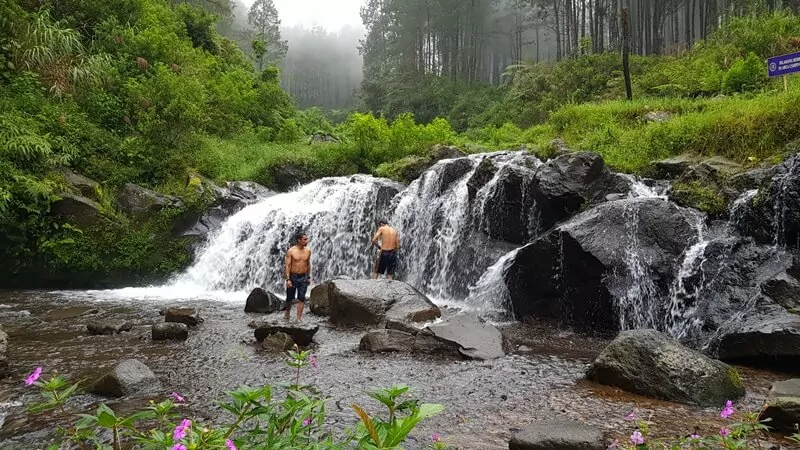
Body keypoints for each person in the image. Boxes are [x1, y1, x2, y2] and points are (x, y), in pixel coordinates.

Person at [284, 231, 312, 321]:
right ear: (299, 240)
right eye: (305, 239)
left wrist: (308, 277)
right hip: (293, 277)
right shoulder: (291, 251)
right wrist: (288, 279)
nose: (307, 241)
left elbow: (308, 264)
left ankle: (298, 319)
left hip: (303, 277)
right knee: (289, 298)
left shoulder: (308, 251)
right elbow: (287, 265)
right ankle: (287, 312)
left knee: (301, 298)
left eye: (306, 239)